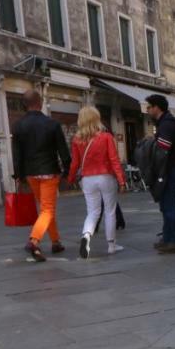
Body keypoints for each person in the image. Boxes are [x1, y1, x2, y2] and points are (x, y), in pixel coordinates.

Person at [11, 89, 70, 262]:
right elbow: (63, 151)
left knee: (45, 208)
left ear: (25, 104)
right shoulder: (52, 124)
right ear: (40, 102)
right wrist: (67, 170)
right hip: (49, 171)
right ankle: (34, 240)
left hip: (30, 173)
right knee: (47, 209)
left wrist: (19, 176)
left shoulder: (19, 125)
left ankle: (56, 241)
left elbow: (17, 154)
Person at [68, 106, 125, 259]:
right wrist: (121, 180)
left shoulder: (77, 140)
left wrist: (70, 178)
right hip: (105, 177)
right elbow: (114, 160)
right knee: (110, 211)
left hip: (87, 179)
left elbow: (74, 163)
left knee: (93, 212)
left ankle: (86, 236)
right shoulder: (106, 137)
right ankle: (111, 245)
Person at [145, 94, 175, 253]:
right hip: (167, 169)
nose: (147, 110)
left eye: (149, 107)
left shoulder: (167, 124)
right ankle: (168, 237)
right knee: (165, 205)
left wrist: (150, 142)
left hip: (168, 169)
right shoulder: (164, 123)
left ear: (156, 107)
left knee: (170, 205)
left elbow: (163, 148)